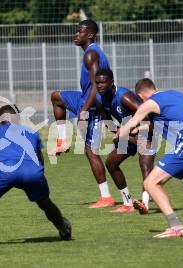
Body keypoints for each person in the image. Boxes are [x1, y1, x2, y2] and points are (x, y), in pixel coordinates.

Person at [118, 78, 183, 238]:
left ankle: (175, 227)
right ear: (155, 88)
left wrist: (119, 134)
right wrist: (141, 128)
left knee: (151, 183)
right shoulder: (175, 94)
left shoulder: (148, 103)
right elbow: (170, 119)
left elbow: (128, 126)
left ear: (140, 96)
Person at [0, 104, 72, 247]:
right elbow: (40, 162)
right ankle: (63, 229)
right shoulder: (31, 133)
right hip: (33, 172)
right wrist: (30, 179)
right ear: (18, 118)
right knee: (45, 202)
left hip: (6, 172)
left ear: (0, 119)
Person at [49, 19, 114, 208]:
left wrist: (84, 110)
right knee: (56, 97)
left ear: (90, 35)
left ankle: (106, 198)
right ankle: (62, 140)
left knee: (91, 151)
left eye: (79, 31)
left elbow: (97, 85)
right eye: (76, 31)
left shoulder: (91, 54)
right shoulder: (91, 52)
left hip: (92, 104)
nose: (76, 34)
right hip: (83, 99)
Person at [94, 69, 155, 213]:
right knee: (111, 163)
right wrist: (119, 133)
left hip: (146, 130)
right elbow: (106, 119)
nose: (99, 85)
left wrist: (134, 131)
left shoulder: (124, 96)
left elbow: (146, 116)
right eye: (97, 83)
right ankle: (127, 203)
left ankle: (144, 204)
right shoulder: (98, 98)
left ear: (111, 82)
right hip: (128, 132)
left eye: (103, 82)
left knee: (145, 168)